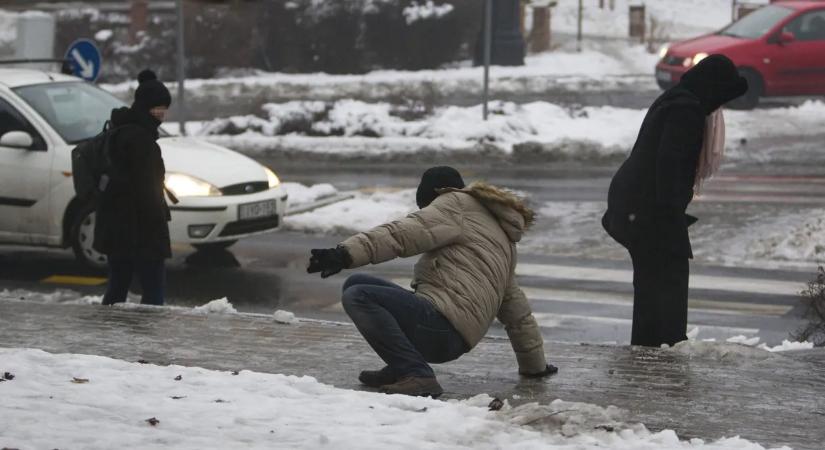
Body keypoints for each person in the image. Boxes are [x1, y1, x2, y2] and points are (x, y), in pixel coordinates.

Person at [307, 166, 557, 397]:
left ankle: (417, 374)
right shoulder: (497, 235)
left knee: (359, 295)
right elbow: (518, 313)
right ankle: (401, 366)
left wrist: (344, 254)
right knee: (356, 282)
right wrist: (534, 367)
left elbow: (400, 235)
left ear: (434, 194)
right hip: (454, 336)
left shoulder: (453, 204)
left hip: (443, 328)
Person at [601, 55, 747, 347]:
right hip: (646, 209)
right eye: (722, 98)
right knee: (667, 281)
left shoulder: (677, 99)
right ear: (714, 88)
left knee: (653, 284)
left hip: (636, 205)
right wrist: (671, 220)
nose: (719, 107)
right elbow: (670, 167)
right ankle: (662, 349)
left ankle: (650, 348)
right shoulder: (686, 111)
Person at [94, 69, 172, 306]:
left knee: (117, 286)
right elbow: (147, 189)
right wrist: (158, 224)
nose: (161, 114)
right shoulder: (141, 140)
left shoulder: (120, 130)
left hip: (117, 224)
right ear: (145, 107)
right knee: (153, 291)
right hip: (140, 229)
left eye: (164, 109)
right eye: (157, 109)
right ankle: (148, 329)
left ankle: (108, 326)